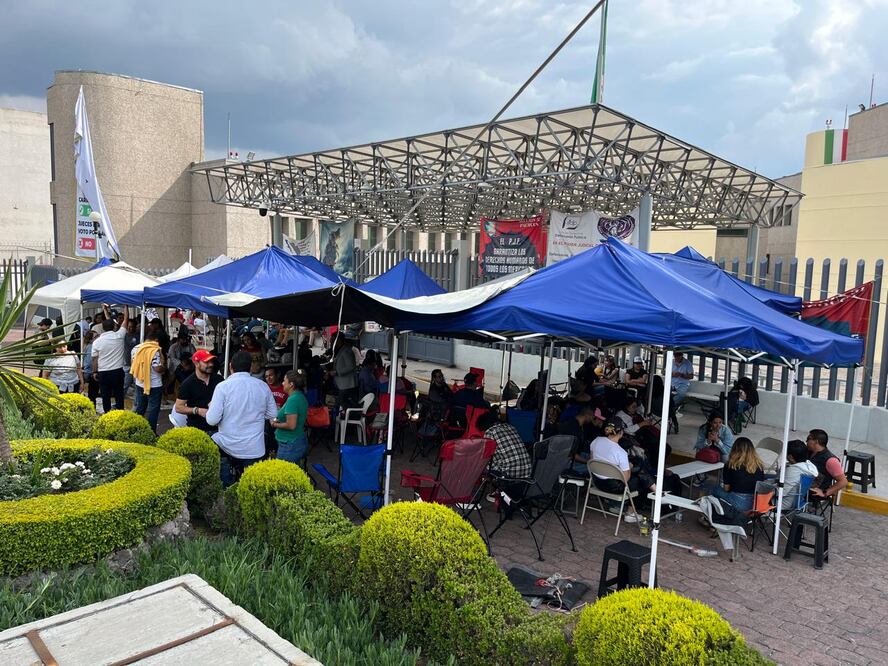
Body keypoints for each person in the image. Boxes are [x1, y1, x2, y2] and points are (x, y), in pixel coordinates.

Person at [205, 351, 278, 486]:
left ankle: (227, 488)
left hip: (227, 446)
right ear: (250, 367)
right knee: (252, 486)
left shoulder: (223, 387)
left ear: (230, 366)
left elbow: (211, 420)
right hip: (254, 449)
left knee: (211, 440)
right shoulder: (262, 386)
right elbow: (273, 414)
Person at [711, 437, 766, 512]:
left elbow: (726, 489)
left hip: (738, 502)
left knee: (715, 489)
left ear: (735, 450)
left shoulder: (730, 465)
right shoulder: (759, 465)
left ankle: (719, 512)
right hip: (755, 505)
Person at [92, 306, 130, 413]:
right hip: (117, 371)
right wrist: (126, 306)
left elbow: (94, 359)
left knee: (105, 395)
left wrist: (94, 371)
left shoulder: (97, 342)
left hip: (103, 372)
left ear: (103, 328)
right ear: (114, 326)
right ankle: (120, 414)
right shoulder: (119, 336)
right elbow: (126, 320)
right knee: (119, 394)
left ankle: (107, 414)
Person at [175, 349, 223, 432]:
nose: (211, 364)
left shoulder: (219, 379)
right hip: (198, 429)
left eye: (211, 361)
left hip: (219, 428)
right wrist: (197, 410)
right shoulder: (188, 383)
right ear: (196, 363)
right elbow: (178, 407)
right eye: (206, 362)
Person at [270, 370, 310, 468]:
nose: (282, 383)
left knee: (283, 474)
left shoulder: (293, 399)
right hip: (296, 441)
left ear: (291, 384)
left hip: (289, 444)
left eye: (284, 381)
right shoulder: (299, 396)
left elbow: (291, 425)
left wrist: (274, 424)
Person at [479, 410, 532, 479]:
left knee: (482, 466)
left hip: (510, 474)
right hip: (528, 470)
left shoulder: (490, 432)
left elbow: (487, 457)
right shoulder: (510, 427)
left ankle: (491, 486)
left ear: (484, 427)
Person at [131, 330, 166, 433]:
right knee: (153, 410)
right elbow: (157, 368)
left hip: (139, 383)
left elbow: (133, 364)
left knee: (140, 408)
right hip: (154, 385)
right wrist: (164, 368)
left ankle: (137, 430)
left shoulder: (135, 348)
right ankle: (151, 432)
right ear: (156, 340)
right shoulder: (154, 350)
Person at [560, 405, 605, 476]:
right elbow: (570, 454)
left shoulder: (579, 425)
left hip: (576, 455)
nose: (592, 419)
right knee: (597, 468)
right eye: (592, 417)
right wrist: (587, 461)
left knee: (600, 461)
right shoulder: (572, 428)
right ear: (588, 415)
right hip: (567, 461)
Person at [806, 429, 848, 500]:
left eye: (808, 439)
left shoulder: (831, 460)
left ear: (816, 441)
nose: (806, 441)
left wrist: (825, 492)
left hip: (813, 491)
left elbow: (843, 482)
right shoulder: (810, 452)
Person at [781, 439, 818, 510]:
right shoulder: (808, 466)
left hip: (784, 503)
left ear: (790, 457)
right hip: (798, 501)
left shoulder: (793, 470)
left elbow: (781, 492)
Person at [333, 336, 359, 410]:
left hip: (347, 384)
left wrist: (337, 372)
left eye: (333, 341)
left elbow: (351, 366)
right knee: (342, 403)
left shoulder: (346, 351)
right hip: (343, 384)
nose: (332, 343)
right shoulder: (342, 350)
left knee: (344, 403)